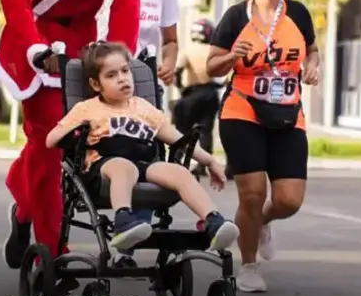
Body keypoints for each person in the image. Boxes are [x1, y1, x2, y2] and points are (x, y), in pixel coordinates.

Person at [0, 0, 141, 296]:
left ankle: (23, 210)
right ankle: (51, 247)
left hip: (82, 46)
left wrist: (115, 55)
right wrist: (36, 48)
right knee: (46, 143)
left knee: (78, 147)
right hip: (31, 43)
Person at [45, 42, 239, 252]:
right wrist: (74, 133)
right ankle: (124, 222)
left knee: (180, 172)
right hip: (102, 167)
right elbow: (51, 139)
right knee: (123, 167)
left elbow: (177, 139)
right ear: (96, 85)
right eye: (111, 75)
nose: (121, 78)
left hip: (143, 164)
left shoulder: (144, 109)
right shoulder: (87, 108)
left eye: (125, 71)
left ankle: (212, 221)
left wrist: (209, 161)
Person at [206, 0, 320, 293]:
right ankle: (250, 266)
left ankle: (264, 222)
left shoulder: (298, 14)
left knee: (288, 200)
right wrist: (231, 58)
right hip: (243, 110)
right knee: (252, 193)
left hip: (287, 114)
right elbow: (210, 67)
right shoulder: (236, 17)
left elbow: (312, 49)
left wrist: (313, 65)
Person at [101, 0, 180, 268]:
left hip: (144, 81)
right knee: (102, 159)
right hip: (101, 83)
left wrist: (169, 62)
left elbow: (171, 39)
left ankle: (128, 247)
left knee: (146, 161)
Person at [173, 19, 227, 178]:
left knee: (182, 130)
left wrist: (181, 88)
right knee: (206, 131)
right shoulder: (213, 51)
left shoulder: (188, 50)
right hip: (210, 93)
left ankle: (177, 161)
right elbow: (225, 75)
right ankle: (203, 165)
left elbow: (177, 71)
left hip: (192, 92)